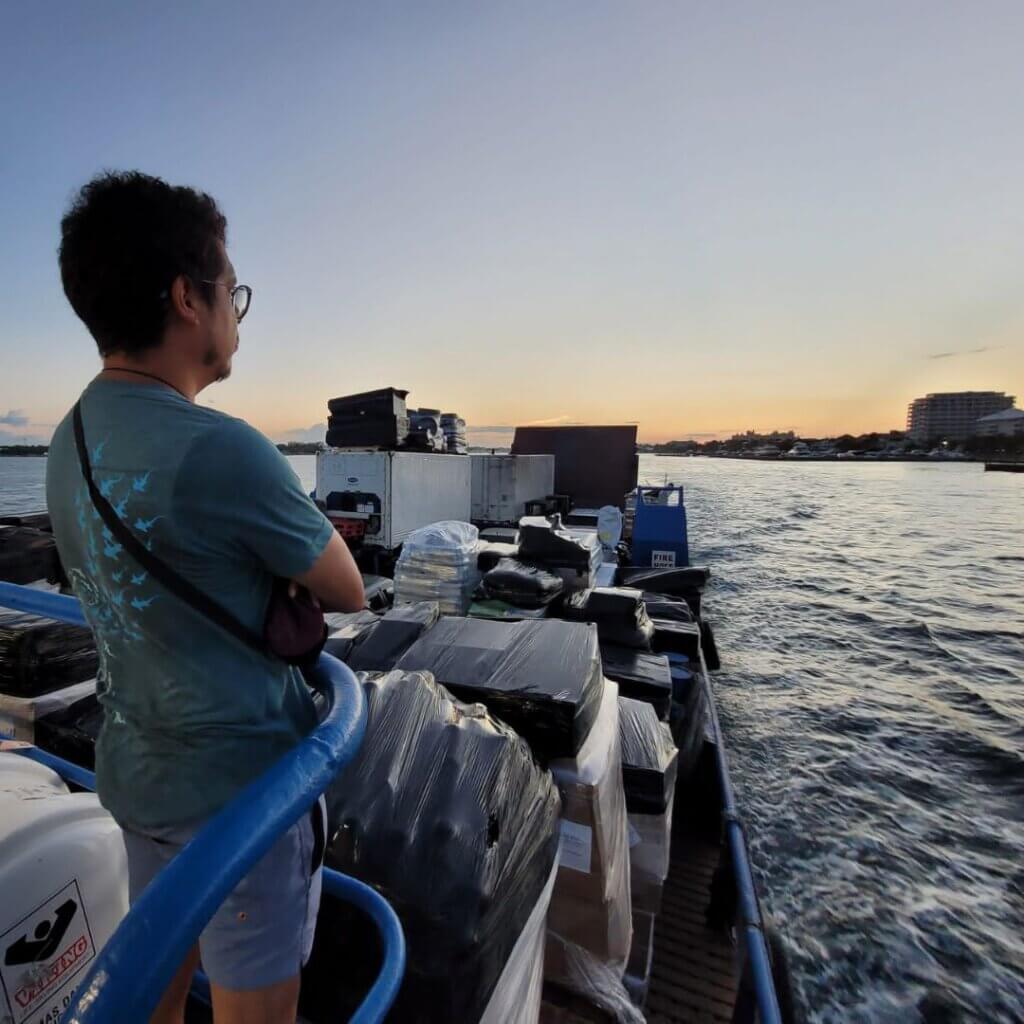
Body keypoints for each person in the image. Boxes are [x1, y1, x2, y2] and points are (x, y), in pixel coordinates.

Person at [46, 171, 365, 1024]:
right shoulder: (225, 450)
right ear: (189, 299)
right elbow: (348, 586)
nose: (236, 313)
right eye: (234, 291)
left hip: (138, 775)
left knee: (153, 987)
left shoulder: (64, 440)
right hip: (240, 799)